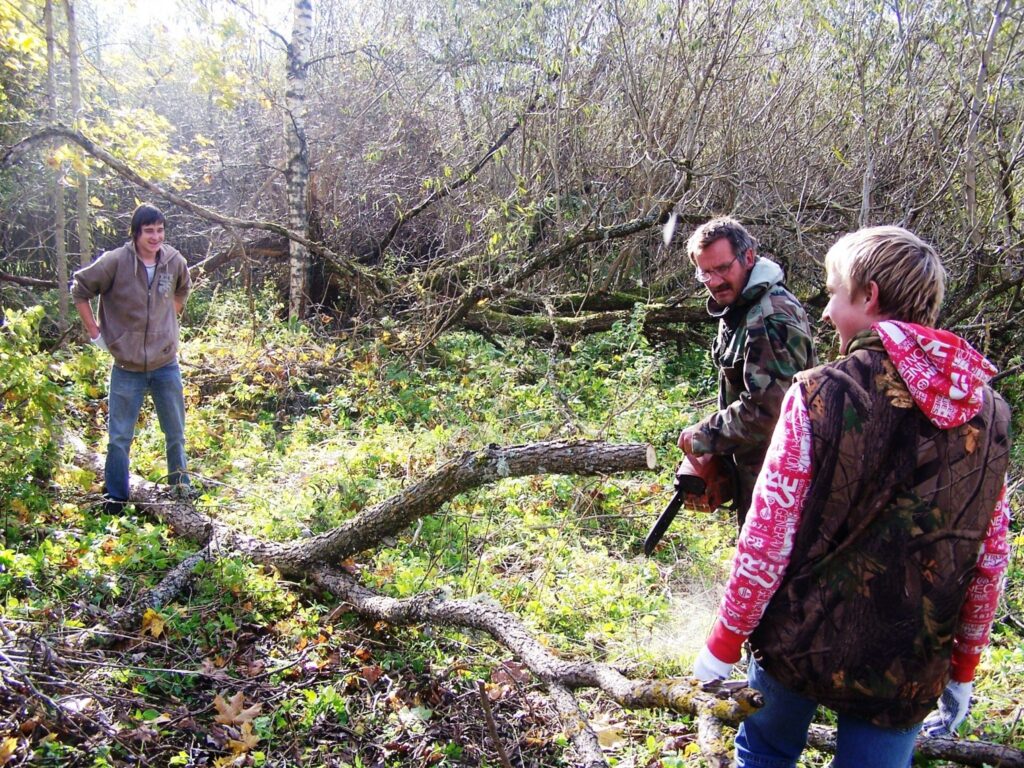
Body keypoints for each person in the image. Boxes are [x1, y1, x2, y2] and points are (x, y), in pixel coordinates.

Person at [691, 226, 1012, 767]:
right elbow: (990, 557)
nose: (825, 312)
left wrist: (723, 644)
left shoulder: (819, 391)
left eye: (834, 293)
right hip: (908, 665)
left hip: (800, 643)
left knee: (765, 753)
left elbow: (767, 539)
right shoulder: (990, 411)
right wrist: (963, 668)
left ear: (869, 297)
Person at [677, 216, 815, 523]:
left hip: (782, 484)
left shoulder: (770, 317)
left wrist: (705, 434)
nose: (713, 281)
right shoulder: (739, 307)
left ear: (748, 257)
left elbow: (770, 412)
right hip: (758, 477)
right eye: (705, 273)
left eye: (723, 268)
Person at [71, 203, 193, 512]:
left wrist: (170, 317)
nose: (155, 237)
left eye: (160, 230)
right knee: (119, 437)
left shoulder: (173, 261)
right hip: (127, 366)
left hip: (166, 363)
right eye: (149, 231)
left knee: (175, 432)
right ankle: (116, 498)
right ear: (136, 233)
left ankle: (180, 490)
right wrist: (95, 333)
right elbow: (80, 289)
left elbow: (182, 290)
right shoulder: (115, 262)